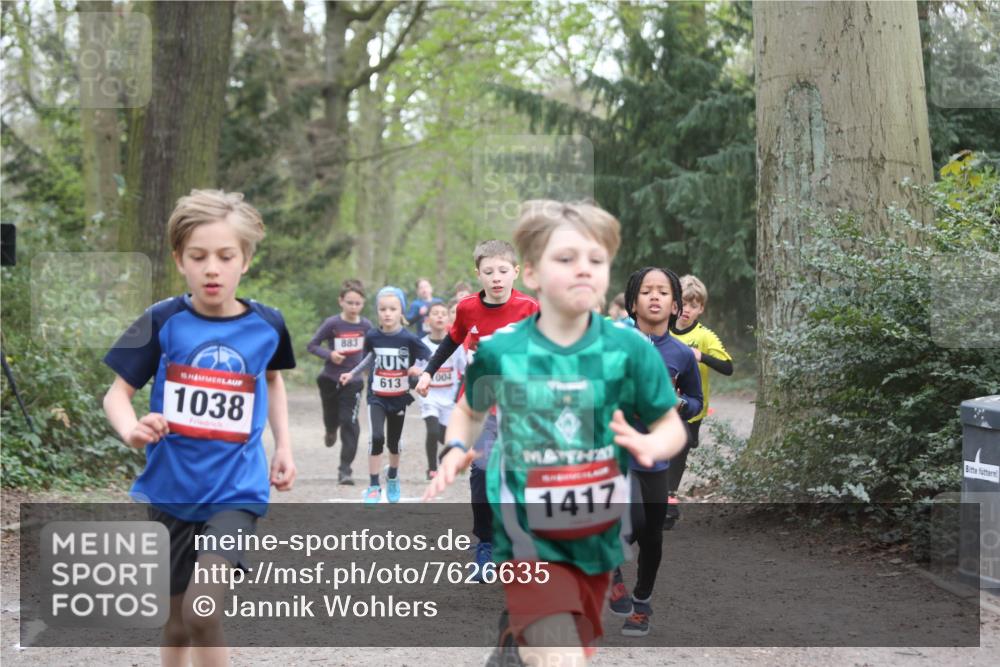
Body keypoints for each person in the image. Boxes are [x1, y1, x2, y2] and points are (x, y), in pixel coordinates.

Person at [424, 200, 688, 666]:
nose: (582, 270)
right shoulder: (505, 348)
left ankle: (510, 649)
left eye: (596, 260)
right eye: (565, 259)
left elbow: (670, 425)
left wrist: (650, 443)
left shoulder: (629, 348)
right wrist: (457, 448)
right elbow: (468, 410)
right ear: (532, 272)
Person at [102, 189, 296, 666]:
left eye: (226, 256)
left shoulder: (268, 325)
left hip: (235, 491)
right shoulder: (161, 320)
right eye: (199, 256)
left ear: (245, 261)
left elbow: (272, 381)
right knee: (174, 625)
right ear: (179, 260)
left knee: (202, 614)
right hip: (170, 490)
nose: (213, 267)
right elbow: (116, 394)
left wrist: (283, 447)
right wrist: (132, 430)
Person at [415, 240, 538, 580]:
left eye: (502, 271)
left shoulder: (529, 308)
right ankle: (484, 546)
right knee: (482, 474)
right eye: (488, 272)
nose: (496, 278)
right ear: (478, 274)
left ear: (515, 272)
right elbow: (451, 340)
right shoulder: (468, 308)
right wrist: (428, 372)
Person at [607, 266, 702, 637]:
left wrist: (680, 404)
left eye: (663, 292)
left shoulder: (681, 354)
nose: (655, 297)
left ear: (676, 304)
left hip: (656, 453)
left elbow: (696, 400)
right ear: (633, 302)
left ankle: (642, 604)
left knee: (652, 535)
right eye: (646, 291)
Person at [341, 286, 430, 504]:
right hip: (377, 396)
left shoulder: (408, 339)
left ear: (401, 311)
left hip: (399, 395)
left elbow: (428, 357)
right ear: (377, 311)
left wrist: (419, 369)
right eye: (382, 309)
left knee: (394, 441)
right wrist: (351, 373)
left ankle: (392, 476)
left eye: (392, 308)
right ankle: (373, 485)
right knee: (377, 438)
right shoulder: (372, 335)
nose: (387, 313)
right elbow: (369, 358)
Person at [668, 274, 734, 523]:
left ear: (701, 309)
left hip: (692, 410)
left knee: (680, 449)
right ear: (674, 303)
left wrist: (700, 356)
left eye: (694, 305)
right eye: (684, 303)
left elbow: (728, 367)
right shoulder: (661, 330)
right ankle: (666, 503)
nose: (687, 310)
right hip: (662, 407)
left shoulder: (704, 336)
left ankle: (668, 499)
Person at [307, 279, 372, 485]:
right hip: (330, 379)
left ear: (363, 304)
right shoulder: (332, 324)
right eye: (350, 303)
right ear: (341, 302)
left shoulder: (366, 326)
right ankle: (329, 429)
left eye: (358, 303)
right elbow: (312, 345)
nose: (354, 307)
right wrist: (330, 354)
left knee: (349, 422)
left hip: (352, 381)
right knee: (332, 417)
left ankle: (345, 470)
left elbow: (373, 351)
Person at [418, 301, 467, 480]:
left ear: (448, 319)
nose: (439, 316)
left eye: (443, 313)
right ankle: (432, 469)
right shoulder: (421, 344)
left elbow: (465, 369)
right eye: (435, 313)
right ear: (427, 319)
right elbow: (413, 370)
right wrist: (416, 374)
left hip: (449, 399)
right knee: (432, 431)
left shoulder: (456, 345)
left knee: (452, 442)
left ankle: (442, 457)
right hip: (429, 397)